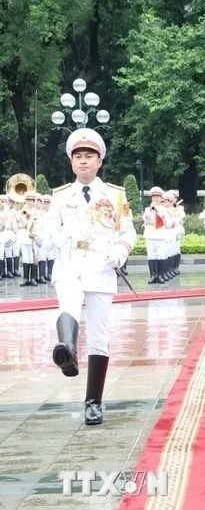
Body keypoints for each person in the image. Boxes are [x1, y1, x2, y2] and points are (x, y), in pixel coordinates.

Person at [44, 128, 136, 425]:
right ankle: (67, 351)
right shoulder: (60, 196)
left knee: (99, 335)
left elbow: (128, 233)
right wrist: (46, 237)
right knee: (68, 304)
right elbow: (49, 231)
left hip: (101, 266)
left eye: (89, 156)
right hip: (69, 263)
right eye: (78, 156)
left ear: (99, 161)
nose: (83, 161)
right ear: (71, 162)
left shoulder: (115, 194)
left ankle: (93, 402)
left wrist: (119, 253)